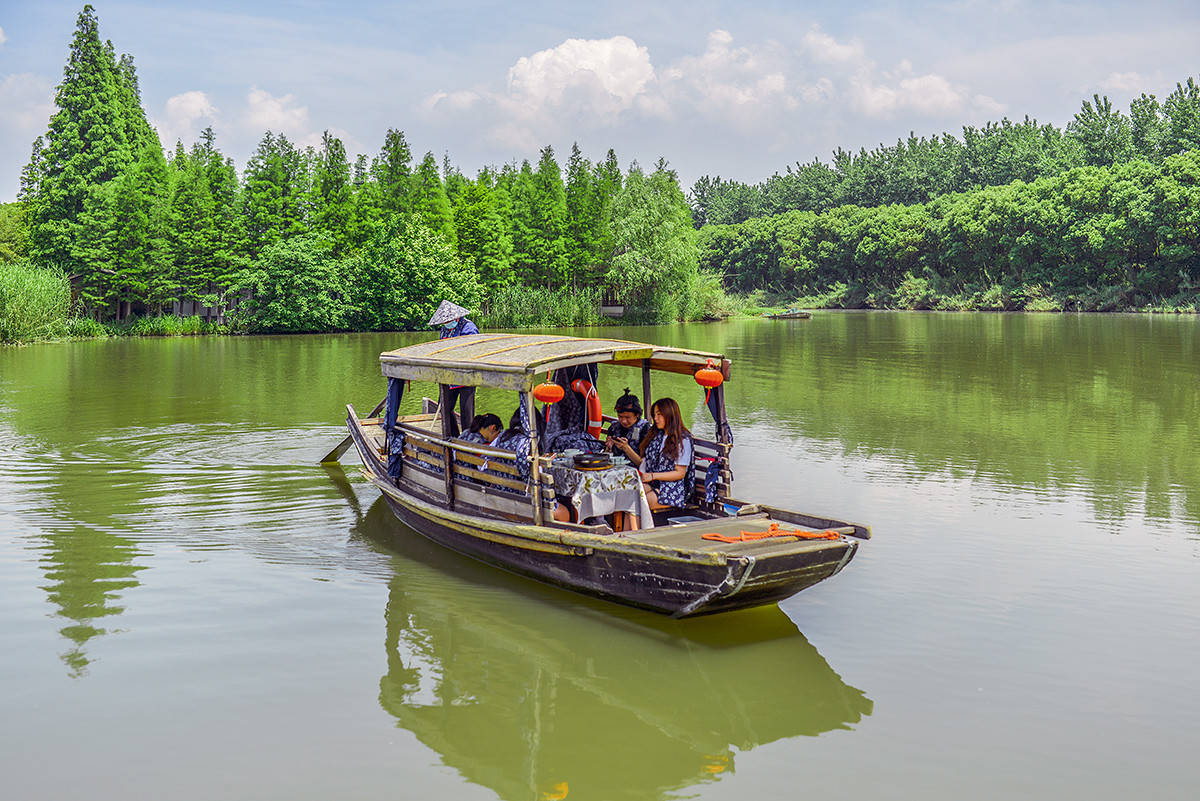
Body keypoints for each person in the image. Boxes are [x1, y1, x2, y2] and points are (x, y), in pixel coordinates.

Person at [428, 299, 480, 437]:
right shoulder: (445, 329)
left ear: (456, 317)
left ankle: (468, 440)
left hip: (466, 376)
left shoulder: (468, 328)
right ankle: (453, 437)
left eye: (447, 321)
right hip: (448, 376)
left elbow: (474, 351)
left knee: (466, 413)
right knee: (444, 407)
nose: (445, 324)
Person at [636, 397, 695, 510]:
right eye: (654, 415)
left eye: (659, 415)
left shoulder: (683, 439)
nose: (655, 418)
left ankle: (638, 528)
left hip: (675, 487)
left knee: (644, 500)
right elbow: (645, 460)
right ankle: (632, 528)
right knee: (632, 494)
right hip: (655, 483)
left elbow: (680, 473)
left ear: (670, 415)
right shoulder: (656, 435)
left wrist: (653, 476)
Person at [605, 388, 651, 458]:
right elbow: (609, 454)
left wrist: (626, 448)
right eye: (620, 416)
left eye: (627, 417)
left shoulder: (644, 428)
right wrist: (609, 448)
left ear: (637, 415)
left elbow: (645, 460)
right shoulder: (614, 428)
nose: (623, 421)